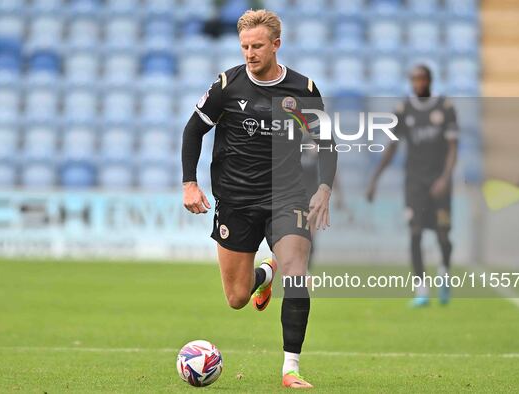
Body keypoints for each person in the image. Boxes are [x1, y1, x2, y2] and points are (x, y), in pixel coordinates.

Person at [181, 9, 337, 388]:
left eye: (257, 46)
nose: (249, 53)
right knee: (236, 297)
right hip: (235, 200)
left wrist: (323, 188)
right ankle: (265, 273)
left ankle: (291, 368)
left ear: (276, 45)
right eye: (245, 47)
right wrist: (189, 182)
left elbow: (327, 143)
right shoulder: (227, 86)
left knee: (298, 274)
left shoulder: (303, 90)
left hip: (287, 196)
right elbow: (192, 131)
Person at [366, 65, 458, 307]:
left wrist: (446, 178)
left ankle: (444, 275)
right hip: (414, 182)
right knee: (415, 233)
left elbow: (452, 148)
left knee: (443, 234)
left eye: (421, 79)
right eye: (414, 79)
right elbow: (392, 146)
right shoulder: (404, 109)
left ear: (429, 80)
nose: (417, 83)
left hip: (439, 182)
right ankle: (422, 290)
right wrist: (375, 179)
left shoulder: (444, 108)